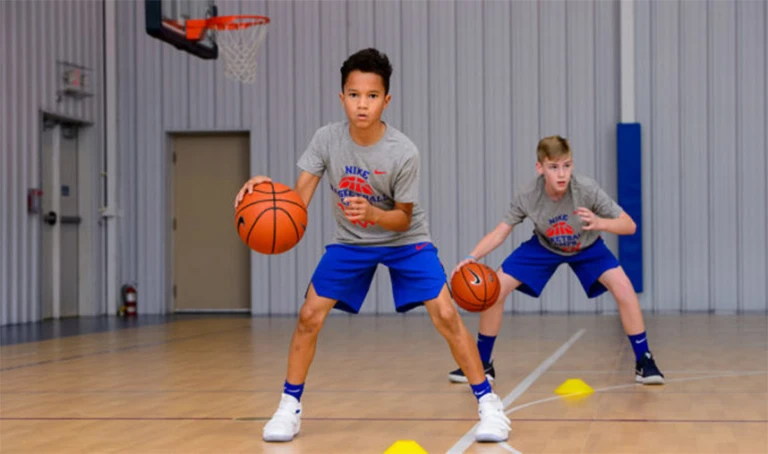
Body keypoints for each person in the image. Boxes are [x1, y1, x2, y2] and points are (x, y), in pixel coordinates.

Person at [234, 48, 510, 443]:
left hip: (405, 239)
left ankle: (488, 404)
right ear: (341, 96)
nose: (362, 104)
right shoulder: (326, 140)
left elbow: (401, 216)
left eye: (371, 96)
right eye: (353, 94)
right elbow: (296, 203)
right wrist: (265, 185)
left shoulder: (403, 151)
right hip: (351, 242)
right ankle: (288, 407)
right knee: (309, 314)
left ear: (386, 100)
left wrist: (373, 213)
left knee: (446, 315)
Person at [446, 135, 665, 386]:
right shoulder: (528, 195)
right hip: (544, 246)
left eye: (567, 165)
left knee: (624, 287)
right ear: (540, 168)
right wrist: (471, 257)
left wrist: (599, 222)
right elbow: (500, 231)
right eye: (554, 167)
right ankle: (482, 363)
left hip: (587, 246)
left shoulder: (586, 188)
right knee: (495, 287)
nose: (562, 174)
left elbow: (629, 225)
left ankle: (644, 360)